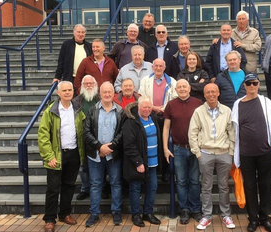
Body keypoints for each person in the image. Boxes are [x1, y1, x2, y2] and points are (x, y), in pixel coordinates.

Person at [231, 73, 271, 232]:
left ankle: (265, 218)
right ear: (244, 86)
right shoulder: (238, 104)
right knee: (250, 186)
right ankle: (252, 219)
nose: (252, 86)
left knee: (265, 185)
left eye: (255, 83)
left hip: (265, 152)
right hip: (246, 154)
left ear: (258, 84)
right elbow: (234, 129)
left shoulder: (266, 102)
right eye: (249, 83)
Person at [38, 81, 84, 232]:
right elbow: (43, 136)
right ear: (58, 93)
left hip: (73, 153)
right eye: (64, 90)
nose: (67, 93)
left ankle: (64, 213)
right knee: (53, 188)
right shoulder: (51, 111)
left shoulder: (78, 109)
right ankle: (50, 219)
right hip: (56, 155)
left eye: (70, 90)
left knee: (69, 186)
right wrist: (49, 156)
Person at [188, 83, 236, 230]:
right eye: (208, 92)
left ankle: (226, 215)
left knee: (224, 186)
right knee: (206, 187)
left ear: (218, 93)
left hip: (224, 153)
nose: (211, 94)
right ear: (204, 95)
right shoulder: (198, 112)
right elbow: (192, 133)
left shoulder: (227, 110)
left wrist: (231, 151)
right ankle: (206, 216)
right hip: (205, 154)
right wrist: (197, 153)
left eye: (213, 92)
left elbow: (232, 132)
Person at [83, 82, 124, 227]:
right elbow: (86, 132)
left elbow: (121, 133)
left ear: (114, 94)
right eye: (104, 92)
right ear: (100, 94)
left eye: (109, 92)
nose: (107, 95)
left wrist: (110, 147)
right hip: (95, 155)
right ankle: (94, 213)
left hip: (113, 155)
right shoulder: (92, 110)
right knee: (95, 185)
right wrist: (100, 147)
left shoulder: (120, 111)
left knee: (116, 183)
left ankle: (116, 212)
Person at [163, 79, 203, 224]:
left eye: (184, 86)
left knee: (194, 181)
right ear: (176, 89)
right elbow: (166, 127)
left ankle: (196, 208)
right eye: (179, 87)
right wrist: (166, 148)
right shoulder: (171, 105)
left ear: (189, 88)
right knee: (180, 181)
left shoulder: (198, 103)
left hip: (195, 148)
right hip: (178, 148)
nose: (182, 89)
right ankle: (184, 209)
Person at [123, 96, 163, 227]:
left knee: (152, 188)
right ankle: (136, 215)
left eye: (149, 107)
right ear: (138, 107)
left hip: (153, 162)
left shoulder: (154, 118)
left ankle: (148, 213)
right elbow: (129, 145)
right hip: (139, 164)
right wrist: (138, 163)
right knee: (135, 189)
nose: (147, 109)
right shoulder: (132, 122)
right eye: (144, 107)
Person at [72, 75, 100, 201]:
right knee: (83, 165)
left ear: (95, 85)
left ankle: (101, 187)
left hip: (98, 137)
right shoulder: (76, 101)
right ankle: (85, 188)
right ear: (82, 86)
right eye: (86, 84)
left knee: (99, 164)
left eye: (91, 83)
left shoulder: (100, 99)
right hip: (82, 137)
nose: (89, 86)